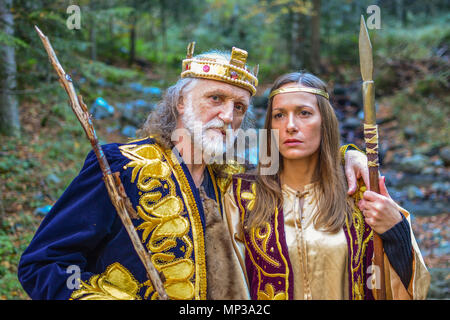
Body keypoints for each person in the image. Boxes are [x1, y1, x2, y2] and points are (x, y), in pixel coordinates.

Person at [18, 44, 369, 300]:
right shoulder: (119, 166)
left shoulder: (233, 181)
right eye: (215, 98)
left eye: (239, 107)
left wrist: (346, 154)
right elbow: (43, 264)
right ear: (180, 102)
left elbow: (296, 167)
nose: (228, 116)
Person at [224, 72, 430, 300]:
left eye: (304, 113)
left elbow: (410, 290)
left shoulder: (358, 192)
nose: (290, 126)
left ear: (325, 121)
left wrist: (396, 232)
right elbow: (230, 288)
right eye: (279, 115)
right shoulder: (241, 197)